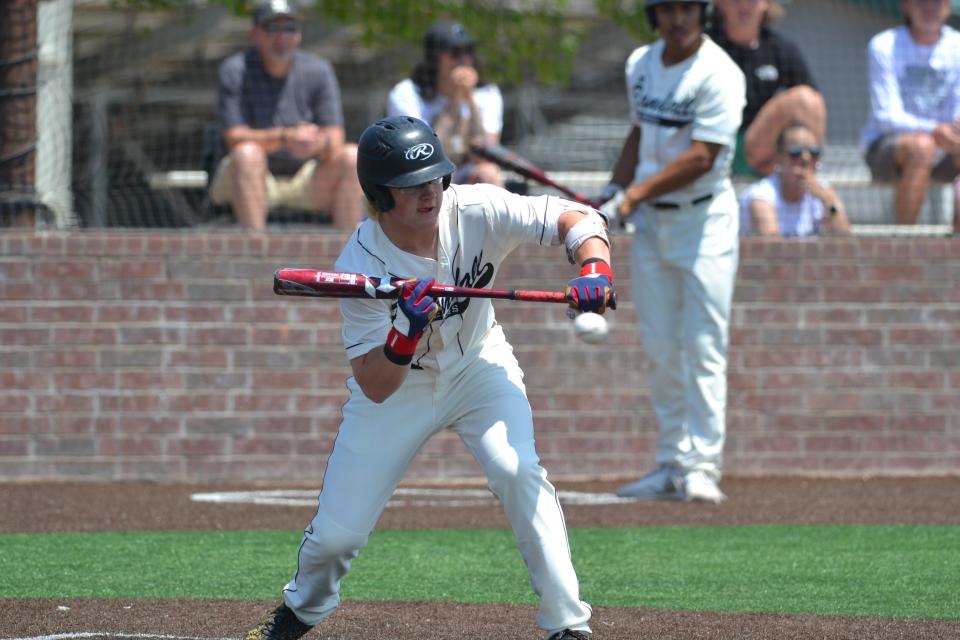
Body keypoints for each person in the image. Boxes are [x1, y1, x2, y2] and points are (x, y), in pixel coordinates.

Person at [243, 115, 616, 640]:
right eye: (410, 185)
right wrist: (407, 330)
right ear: (380, 193)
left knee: (517, 471)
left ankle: (568, 627)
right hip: (400, 387)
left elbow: (578, 217)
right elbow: (375, 383)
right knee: (335, 538)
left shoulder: (478, 207)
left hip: (478, 366)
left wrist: (594, 268)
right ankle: (302, 610)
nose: (429, 193)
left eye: (435, 178)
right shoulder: (363, 258)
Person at [600, 0, 745, 504]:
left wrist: (632, 196)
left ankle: (702, 466)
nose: (677, 18)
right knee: (661, 345)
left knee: (703, 345)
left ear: (701, 12)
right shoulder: (639, 63)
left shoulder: (719, 72)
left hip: (704, 221)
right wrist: (610, 190)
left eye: (687, 7)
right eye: (666, 8)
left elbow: (703, 157)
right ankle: (670, 461)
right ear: (653, 14)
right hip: (652, 226)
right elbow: (640, 132)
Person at [209, 0, 363, 231]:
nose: (281, 37)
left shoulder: (319, 70)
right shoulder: (235, 70)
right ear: (255, 34)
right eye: (271, 28)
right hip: (249, 178)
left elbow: (335, 138)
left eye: (290, 28)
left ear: (299, 35)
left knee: (352, 156)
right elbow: (234, 138)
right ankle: (254, 256)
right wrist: (285, 137)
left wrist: (314, 143)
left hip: (305, 179)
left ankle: (350, 260)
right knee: (247, 154)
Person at [860, 0, 960, 226]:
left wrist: (954, 132)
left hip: (946, 148)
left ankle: (955, 251)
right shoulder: (884, 44)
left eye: (937, 1)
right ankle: (904, 245)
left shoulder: (957, 45)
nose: (930, 8)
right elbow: (887, 117)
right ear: (906, 5)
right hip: (886, 149)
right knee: (921, 146)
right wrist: (934, 131)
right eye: (922, 1)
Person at [708, 0, 826, 177]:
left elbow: (813, 103)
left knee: (809, 100)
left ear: (766, 3)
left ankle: (807, 171)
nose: (744, 5)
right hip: (716, 143)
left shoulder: (779, 47)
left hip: (765, 147)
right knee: (801, 99)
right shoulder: (705, 45)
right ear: (720, 3)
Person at [387, 20, 504, 186]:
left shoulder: (487, 93)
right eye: (455, 53)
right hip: (424, 182)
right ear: (434, 60)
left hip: (467, 180)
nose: (464, 60)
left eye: (468, 51)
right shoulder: (407, 93)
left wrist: (469, 99)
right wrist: (455, 102)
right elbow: (426, 156)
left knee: (488, 172)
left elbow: (485, 154)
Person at [739, 122, 851, 236]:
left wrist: (827, 200)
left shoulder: (823, 192)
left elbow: (845, 239)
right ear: (779, 157)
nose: (806, 158)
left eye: (814, 152)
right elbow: (772, 248)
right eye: (795, 152)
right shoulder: (761, 195)